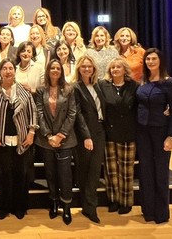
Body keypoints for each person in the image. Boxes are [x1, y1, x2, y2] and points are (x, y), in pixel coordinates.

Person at [34, 59, 88, 225]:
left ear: (61, 71)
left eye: (58, 68)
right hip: (46, 140)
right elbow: (39, 112)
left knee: (65, 174)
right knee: (50, 173)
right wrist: (48, 135)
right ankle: (54, 202)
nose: (55, 70)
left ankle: (66, 205)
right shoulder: (40, 89)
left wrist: (60, 135)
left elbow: (72, 113)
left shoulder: (69, 89)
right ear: (48, 70)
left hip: (65, 140)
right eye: (52, 68)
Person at [0, 59, 37, 220]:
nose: (8, 71)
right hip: (1, 140)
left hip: (22, 140)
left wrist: (31, 132)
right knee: (3, 174)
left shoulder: (23, 90)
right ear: (0, 72)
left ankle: (20, 207)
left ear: (15, 71)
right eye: (4, 68)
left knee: (21, 173)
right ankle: (4, 207)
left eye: (11, 68)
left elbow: (33, 111)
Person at [136, 48, 172, 224]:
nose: (150, 62)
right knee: (145, 170)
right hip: (142, 131)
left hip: (160, 131)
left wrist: (171, 136)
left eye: (154, 59)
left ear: (160, 61)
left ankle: (161, 213)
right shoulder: (142, 81)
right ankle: (148, 211)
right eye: (148, 59)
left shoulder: (169, 83)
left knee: (161, 171)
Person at [98, 57, 139, 215]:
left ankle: (126, 201)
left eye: (118, 67)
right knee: (111, 170)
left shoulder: (133, 86)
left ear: (124, 70)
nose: (115, 69)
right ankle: (113, 200)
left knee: (126, 171)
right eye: (113, 67)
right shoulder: (103, 85)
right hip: (109, 133)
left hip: (128, 133)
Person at [72, 55, 106, 224]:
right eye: (84, 66)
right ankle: (88, 207)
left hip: (100, 131)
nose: (87, 69)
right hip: (84, 135)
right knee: (84, 171)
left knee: (94, 171)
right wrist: (86, 136)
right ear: (79, 68)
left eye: (89, 66)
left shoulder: (98, 85)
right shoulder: (76, 88)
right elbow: (77, 114)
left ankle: (89, 206)